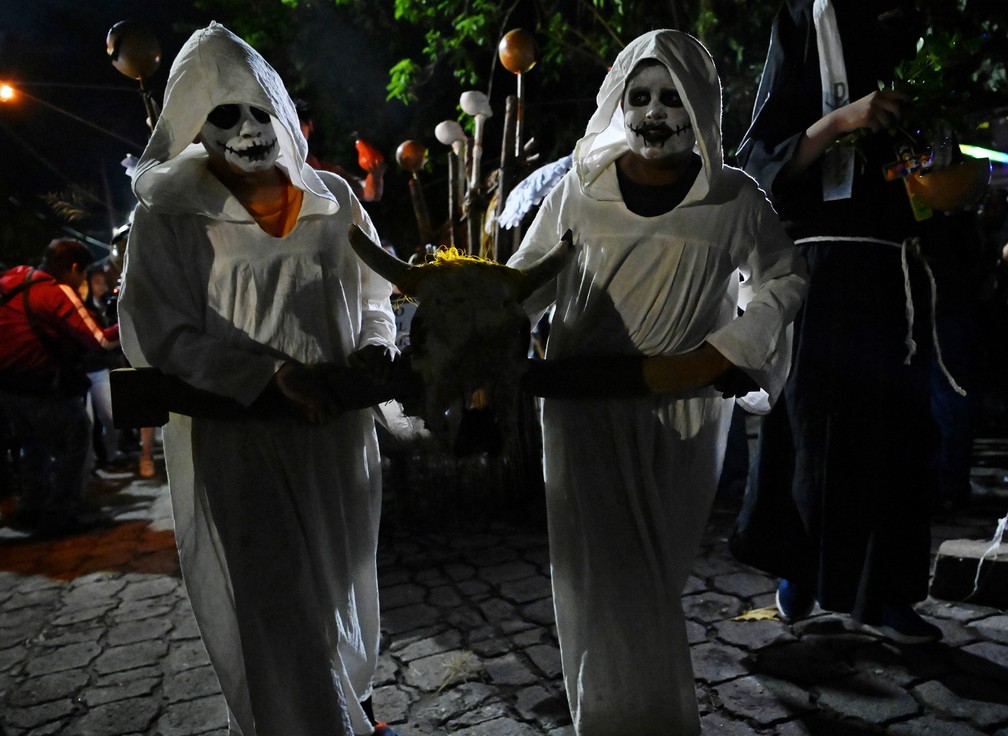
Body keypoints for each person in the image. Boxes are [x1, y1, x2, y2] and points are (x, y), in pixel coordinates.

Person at [506, 29, 808, 736]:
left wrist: (722, 353)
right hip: (584, 413)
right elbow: (521, 287)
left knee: (654, 573)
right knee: (610, 578)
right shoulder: (577, 192)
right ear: (617, 102)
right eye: (639, 96)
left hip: (685, 418)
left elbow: (785, 277)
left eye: (671, 97)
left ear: (701, 105)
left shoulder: (734, 199)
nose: (653, 112)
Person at [117, 23, 399, 736]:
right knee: (280, 615)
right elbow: (162, 334)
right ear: (192, 126)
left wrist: (373, 348)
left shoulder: (334, 196)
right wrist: (268, 377)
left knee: (341, 595)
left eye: (259, 110)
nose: (248, 129)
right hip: (240, 448)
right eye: (223, 114)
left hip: (337, 443)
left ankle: (350, 712)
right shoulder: (167, 217)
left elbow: (376, 296)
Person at [731, 0, 948, 644]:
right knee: (812, 431)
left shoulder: (913, 26)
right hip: (819, 268)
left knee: (900, 435)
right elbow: (760, 160)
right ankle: (800, 570)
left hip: (895, 271)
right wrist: (839, 121)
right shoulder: (803, 20)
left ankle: (886, 596)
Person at [0, 238, 120, 535]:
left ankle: (31, 508)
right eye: (82, 274)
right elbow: (101, 339)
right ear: (74, 267)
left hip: (9, 388)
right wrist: (133, 320)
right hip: (42, 388)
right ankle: (61, 514)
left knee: (33, 446)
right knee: (76, 437)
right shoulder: (54, 291)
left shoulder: (13, 279)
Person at [296, 99, 385, 203]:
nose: (296, 130)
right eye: (291, 126)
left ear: (309, 125)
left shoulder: (325, 170)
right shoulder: (278, 166)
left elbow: (366, 193)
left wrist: (375, 175)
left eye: (300, 124)